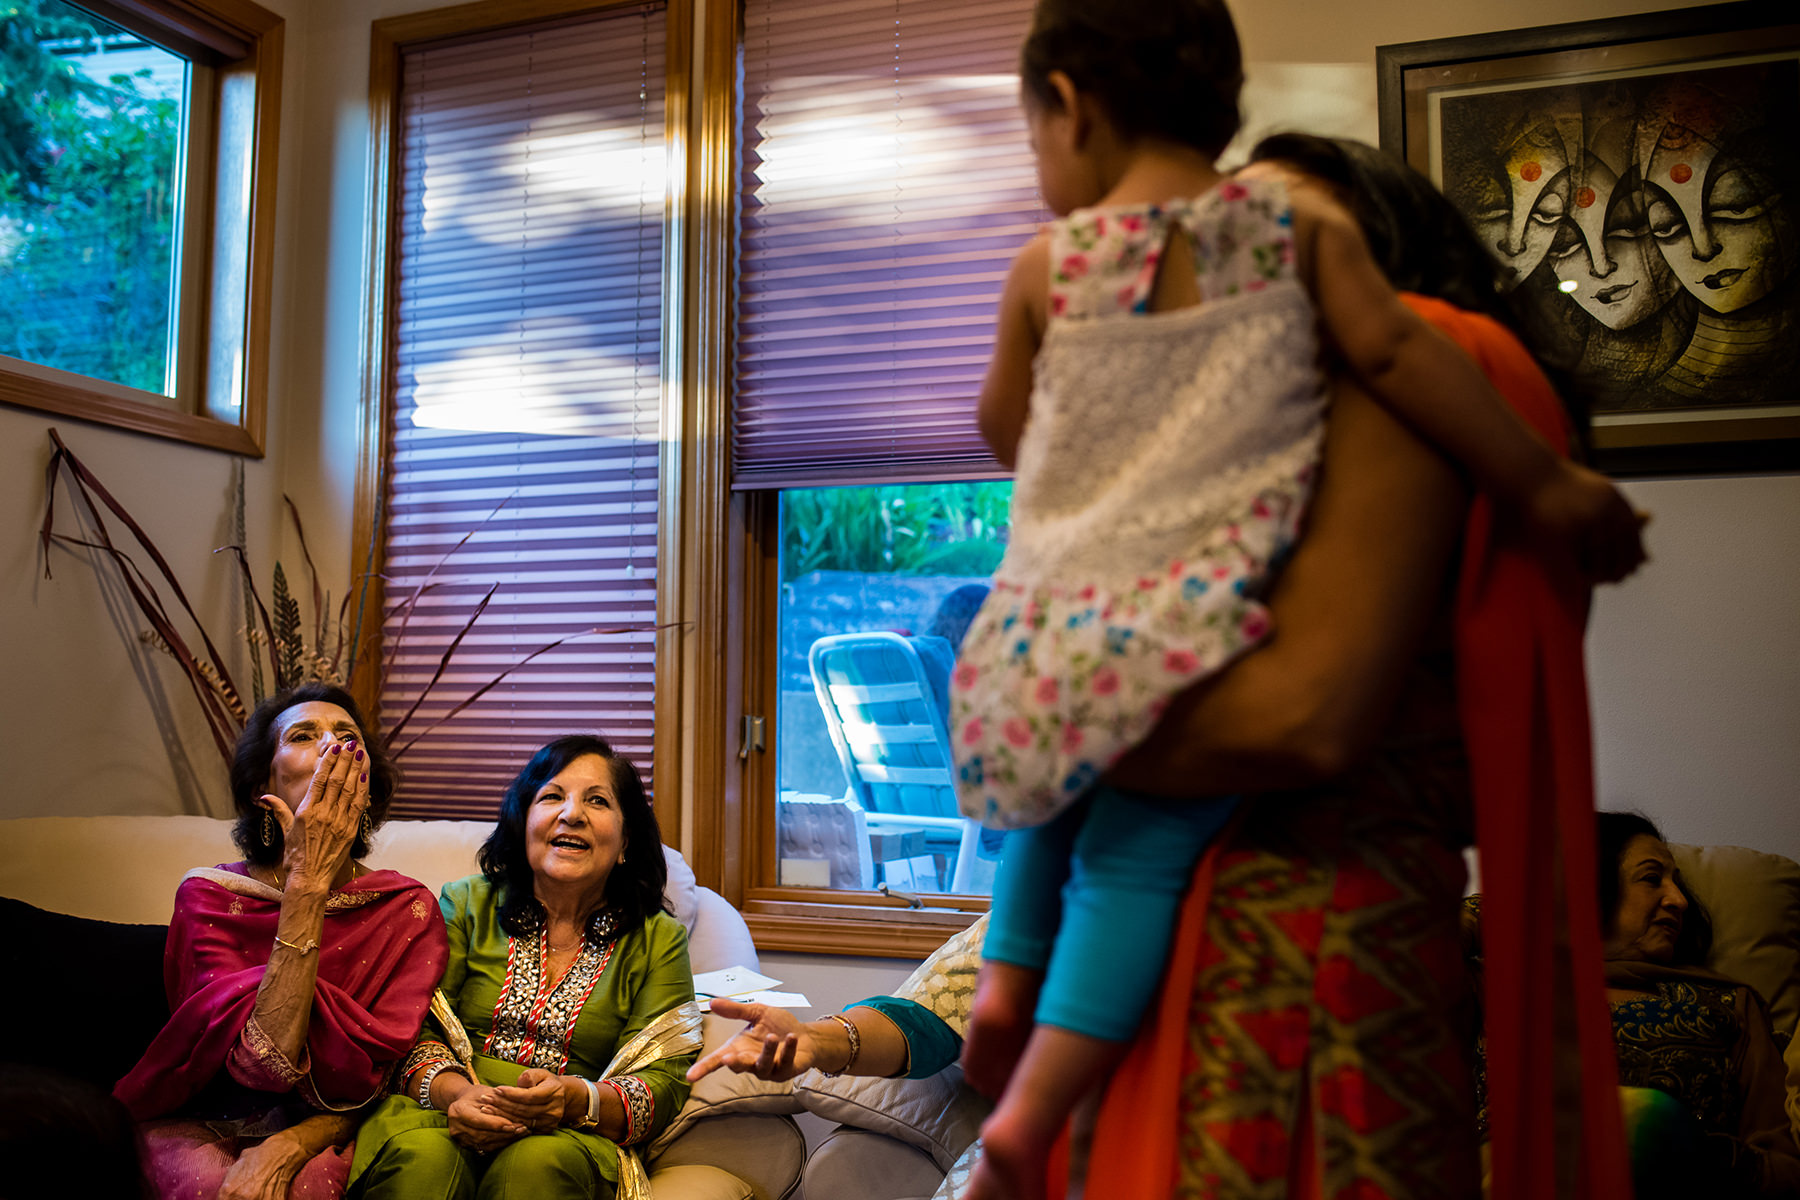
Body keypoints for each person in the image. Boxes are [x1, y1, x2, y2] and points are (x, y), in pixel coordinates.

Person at [945, 1, 1645, 1194]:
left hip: (1283, 958)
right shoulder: (1422, 367)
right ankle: (1017, 1030)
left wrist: (1066, 714)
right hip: (1303, 935)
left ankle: (1010, 1005)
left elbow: (1301, 717)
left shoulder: (1411, 357)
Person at [114, 683, 447, 1200]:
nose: (333, 746)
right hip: (204, 1118)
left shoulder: (407, 909)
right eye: (304, 735)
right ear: (260, 787)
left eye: (347, 736)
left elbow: (383, 1077)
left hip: (338, 1128)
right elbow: (259, 1065)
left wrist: (296, 1141)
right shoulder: (210, 895)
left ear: (369, 786)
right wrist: (307, 884)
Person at [348, 734, 700, 1200]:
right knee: (426, 1161)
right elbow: (411, 1029)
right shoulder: (465, 904)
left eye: (596, 801)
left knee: (534, 1165)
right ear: (523, 824)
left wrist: (574, 1099)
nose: (571, 814)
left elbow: (665, 1078)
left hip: (569, 1134)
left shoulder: (658, 941)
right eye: (552, 796)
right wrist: (458, 1096)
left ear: (625, 841)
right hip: (442, 1111)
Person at [1561, 812, 1797, 1197]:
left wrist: (1686, 1147)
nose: (1680, 900)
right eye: (1652, 879)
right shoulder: (1503, 984)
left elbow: (1784, 1171)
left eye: (1677, 884)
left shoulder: (1726, 1004)